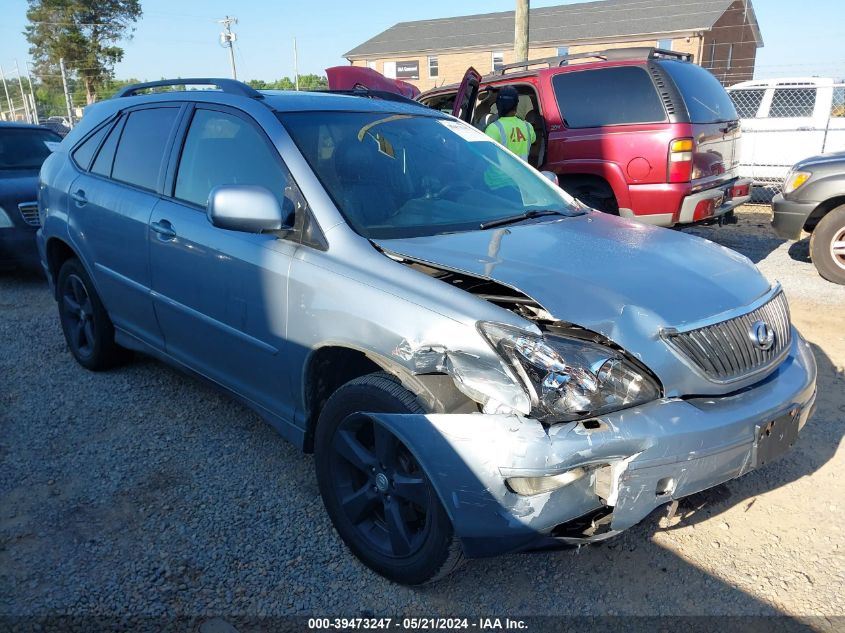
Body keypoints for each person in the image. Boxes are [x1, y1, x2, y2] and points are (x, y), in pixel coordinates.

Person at [484, 86, 536, 161]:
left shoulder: (493, 128)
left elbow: (486, 155)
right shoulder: (528, 126)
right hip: (522, 172)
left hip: (500, 172)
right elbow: (533, 139)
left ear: (498, 105)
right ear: (516, 105)